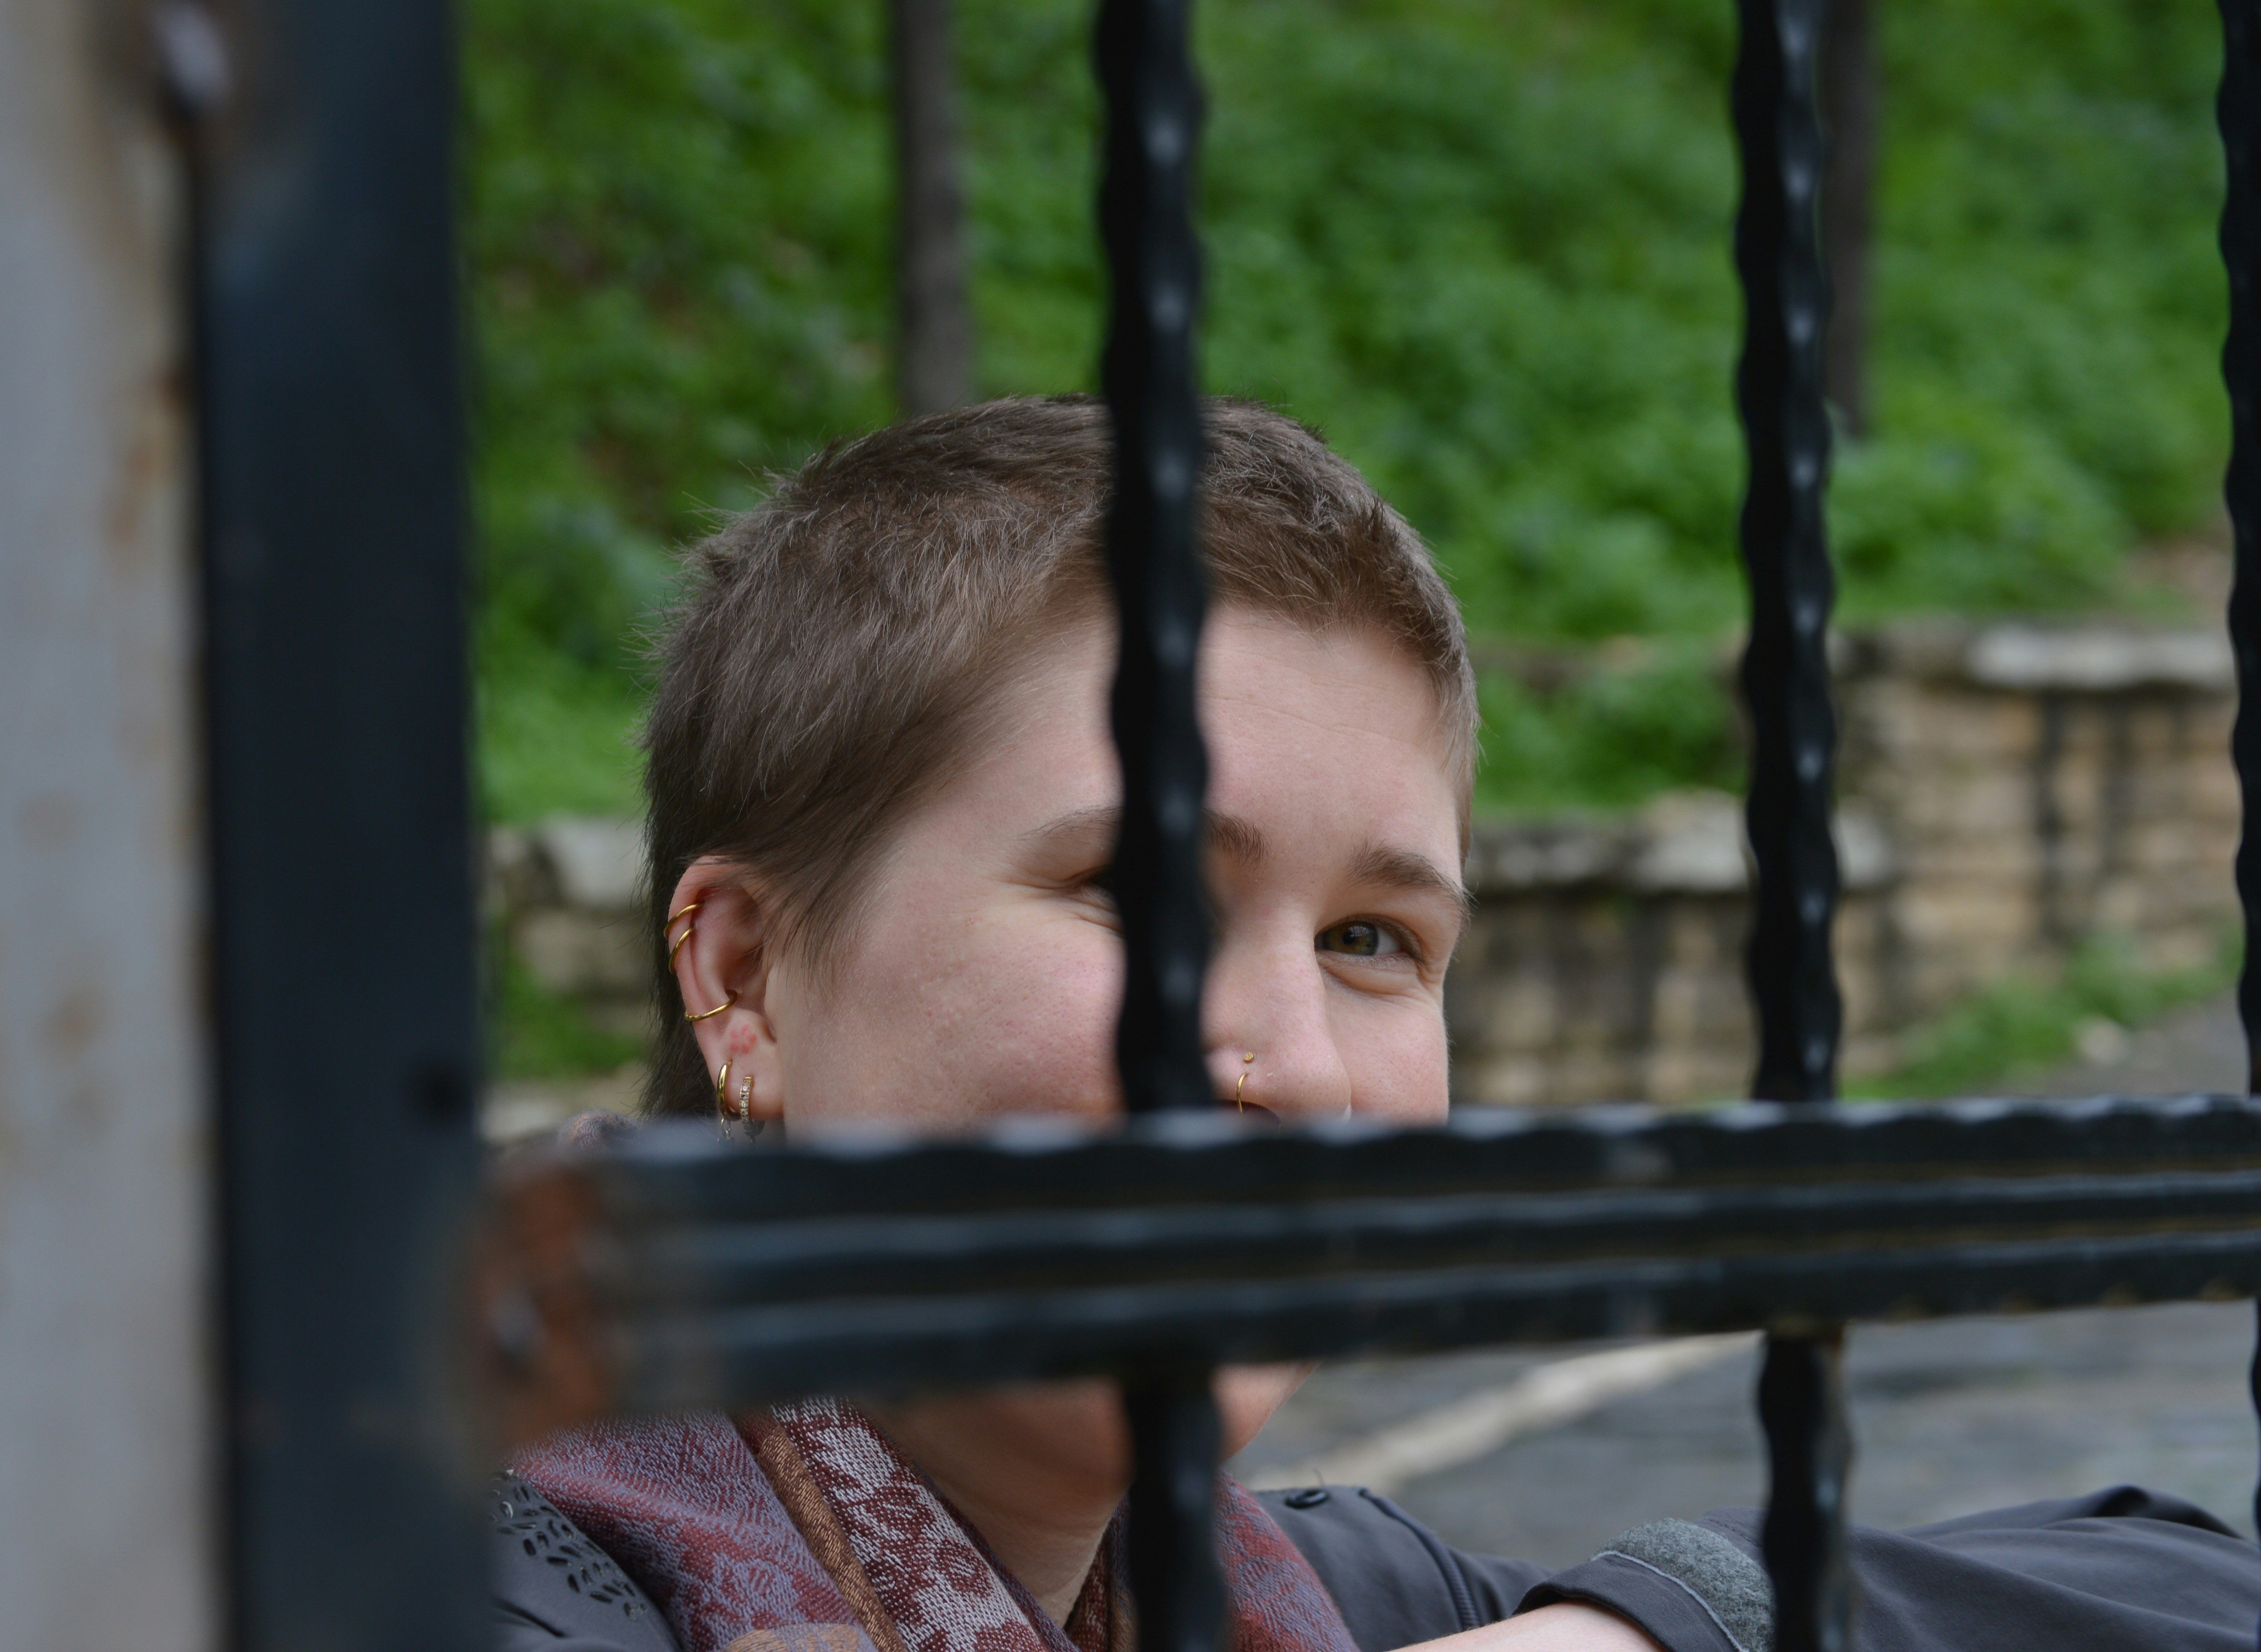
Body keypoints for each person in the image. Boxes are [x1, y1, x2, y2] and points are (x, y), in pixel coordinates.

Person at [494, 396, 2260, 1652]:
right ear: (738, 972)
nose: (1296, 1067)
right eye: (1142, 890)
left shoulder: (1285, 1594)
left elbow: (2182, 1589)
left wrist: (1631, 1632)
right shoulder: (423, 1574)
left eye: (1368, 938)